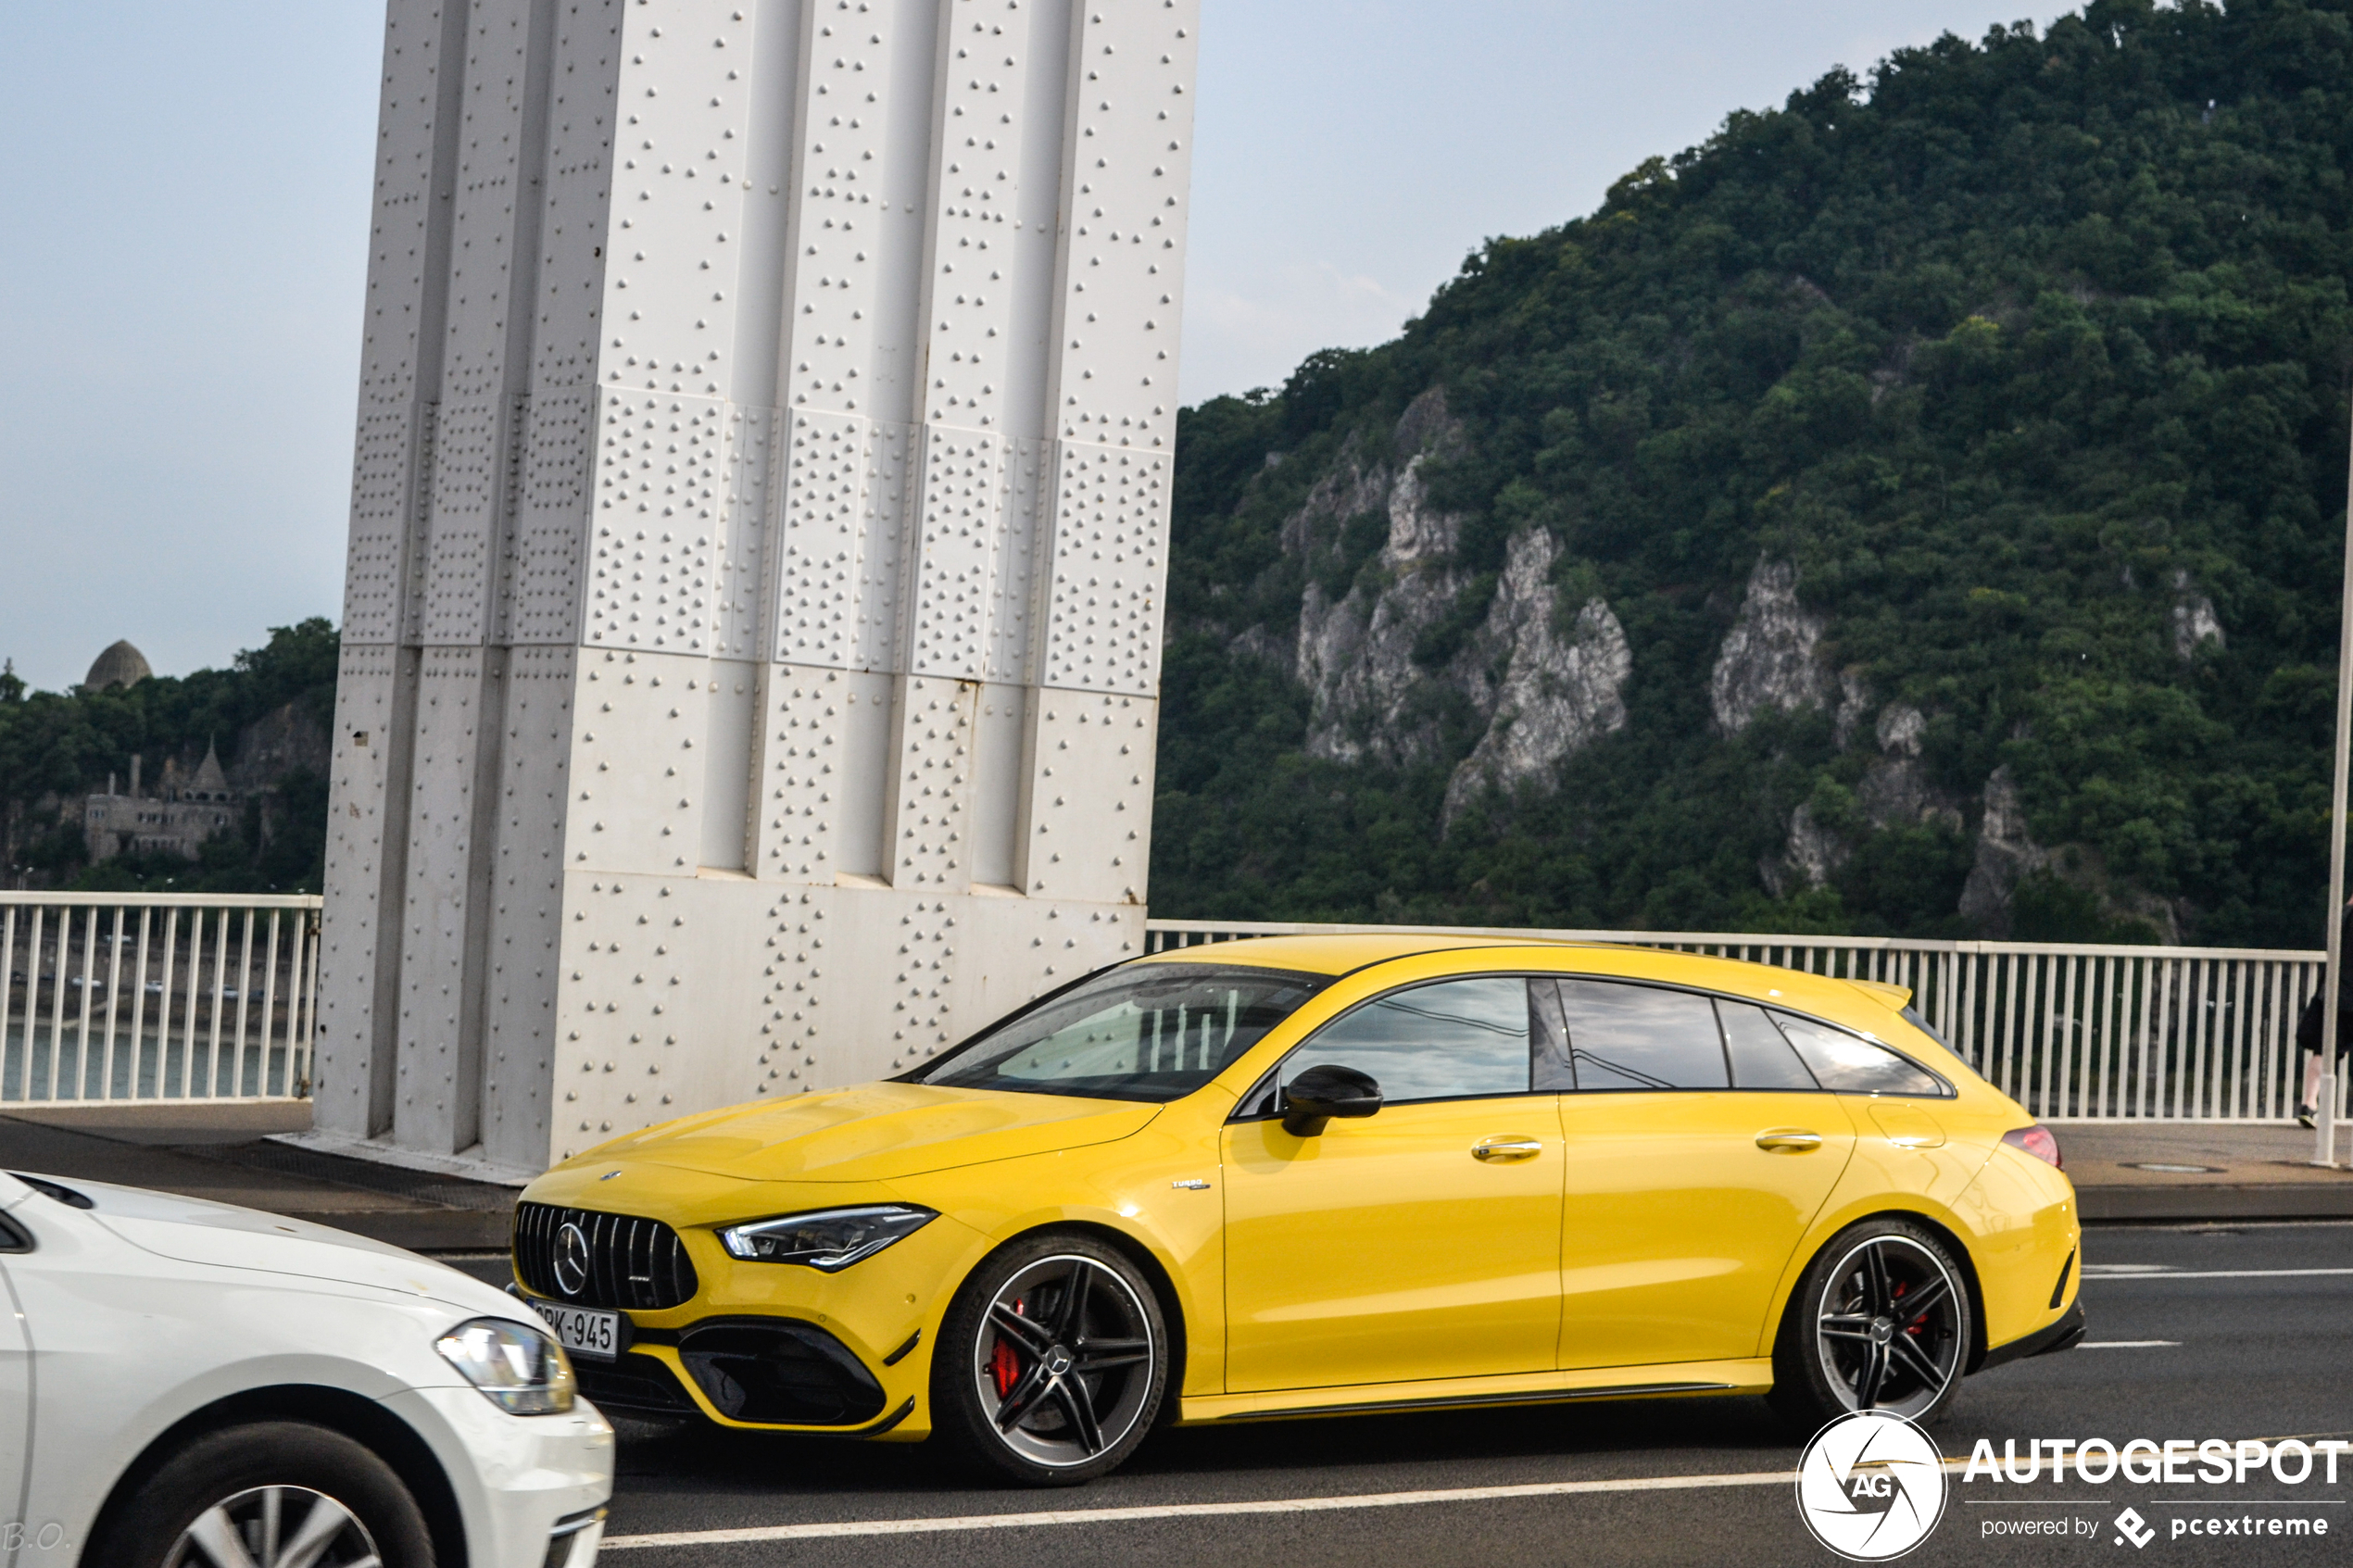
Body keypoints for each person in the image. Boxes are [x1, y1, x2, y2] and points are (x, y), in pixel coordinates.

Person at [2296, 897, 2353, 1127]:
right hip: (2343, 993)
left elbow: (2327, 939)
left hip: (2335, 992)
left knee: (2324, 1050)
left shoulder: (2343, 916)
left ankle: (2309, 1104)